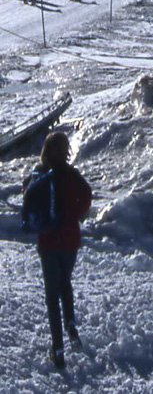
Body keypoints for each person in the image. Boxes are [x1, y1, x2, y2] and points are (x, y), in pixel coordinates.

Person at [23, 132, 92, 369]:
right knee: (66, 283)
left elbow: (27, 194)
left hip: (48, 240)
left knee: (52, 296)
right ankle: (71, 324)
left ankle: (58, 349)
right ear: (66, 151)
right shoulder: (72, 175)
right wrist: (74, 214)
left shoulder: (40, 173)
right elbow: (87, 196)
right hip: (70, 239)